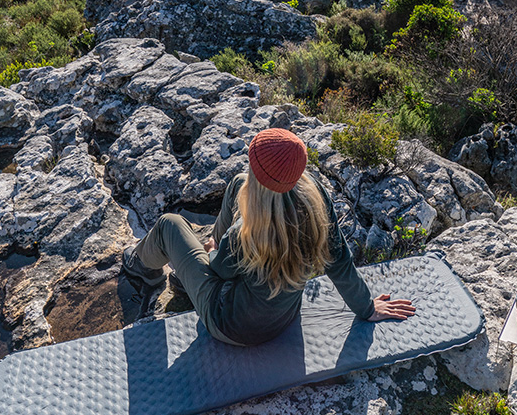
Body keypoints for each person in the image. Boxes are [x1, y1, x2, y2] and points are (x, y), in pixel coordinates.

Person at [121, 127, 415, 347]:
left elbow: (219, 269)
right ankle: (190, 278)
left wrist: (212, 250)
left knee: (169, 224)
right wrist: (366, 307)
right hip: (282, 318)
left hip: (229, 326)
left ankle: (141, 269)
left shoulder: (244, 234)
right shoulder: (316, 200)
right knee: (238, 184)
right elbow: (339, 261)